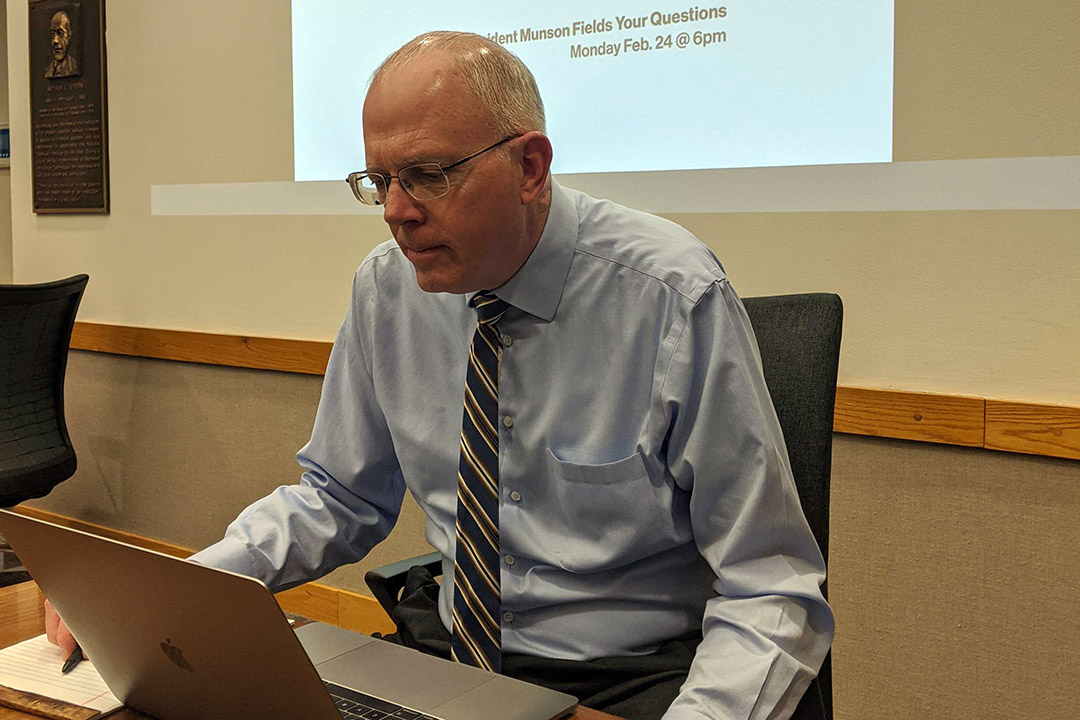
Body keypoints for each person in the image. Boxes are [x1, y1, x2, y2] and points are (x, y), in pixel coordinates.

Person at [47, 31, 833, 720]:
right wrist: (171, 599)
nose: (395, 211)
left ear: (530, 166)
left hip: (633, 677)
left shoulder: (671, 296)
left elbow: (772, 587)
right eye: (377, 181)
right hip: (455, 656)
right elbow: (338, 496)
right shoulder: (387, 288)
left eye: (425, 175)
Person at [45, 10, 79, 79]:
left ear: (69, 36)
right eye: (52, 34)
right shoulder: (48, 70)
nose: (55, 40)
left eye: (60, 34)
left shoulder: (74, 67)